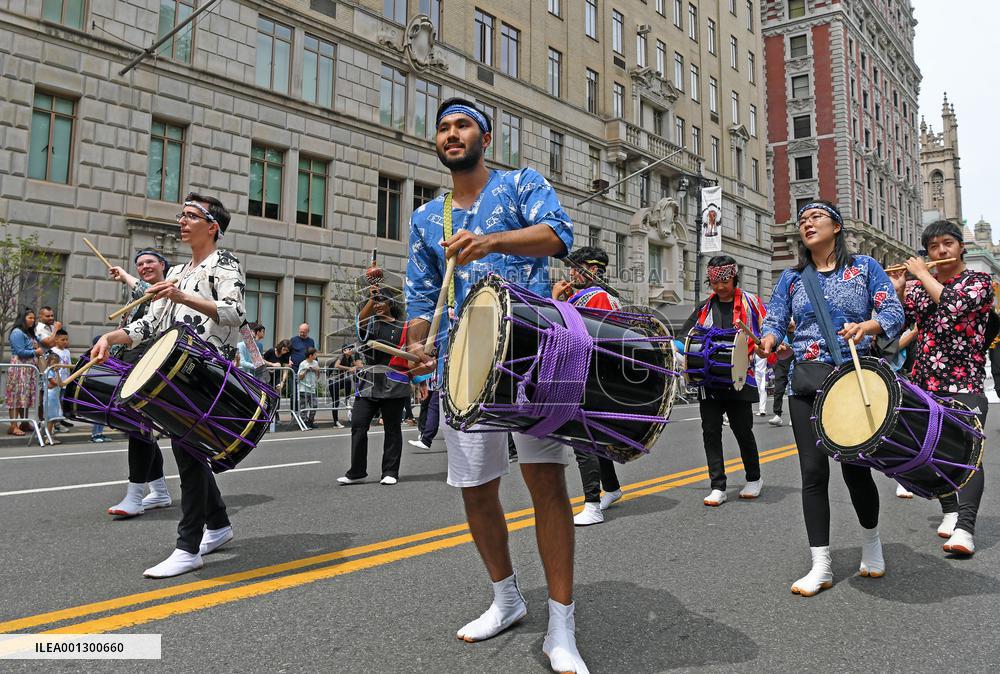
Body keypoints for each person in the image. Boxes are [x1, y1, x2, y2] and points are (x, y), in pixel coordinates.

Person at [405, 98, 586, 673]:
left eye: (462, 126)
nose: (452, 134)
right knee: (476, 487)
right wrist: (415, 345)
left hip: (534, 351)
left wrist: (493, 242)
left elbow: (559, 236)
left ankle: (562, 624)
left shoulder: (521, 184)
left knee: (546, 484)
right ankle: (506, 598)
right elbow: (420, 295)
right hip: (464, 361)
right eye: (443, 128)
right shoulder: (427, 218)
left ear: (487, 134)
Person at [91, 193, 245, 578]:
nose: (182, 220)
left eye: (191, 215)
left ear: (212, 226)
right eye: (182, 214)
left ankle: (188, 546)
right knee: (187, 451)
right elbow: (149, 325)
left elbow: (235, 313)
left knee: (188, 451)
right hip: (174, 371)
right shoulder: (175, 270)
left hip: (204, 369)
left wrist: (181, 296)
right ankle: (220, 524)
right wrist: (112, 336)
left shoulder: (223, 264)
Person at [759, 199, 904, 596]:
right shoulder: (791, 278)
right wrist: (769, 338)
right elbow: (774, 318)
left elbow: (893, 311)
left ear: (836, 227)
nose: (807, 223)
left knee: (856, 470)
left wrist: (868, 325)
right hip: (805, 384)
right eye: (802, 220)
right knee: (813, 473)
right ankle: (820, 564)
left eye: (816, 217)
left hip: (851, 380)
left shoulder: (864, 269)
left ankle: (872, 545)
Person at [888, 220, 992, 555]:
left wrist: (923, 275)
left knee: (967, 455)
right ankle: (949, 508)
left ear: (961, 246)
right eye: (933, 247)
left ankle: (966, 527)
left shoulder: (979, 282)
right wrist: (900, 290)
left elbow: (954, 306)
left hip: (966, 381)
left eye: (947, 244)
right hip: (925, 384)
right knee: (932, 453)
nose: (941, 251)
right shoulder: (920, 286)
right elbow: (898, 326)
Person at [680, 255, 767, 506]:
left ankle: (754, 478)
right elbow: (686, 337)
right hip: (710, 379)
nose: (720, 287)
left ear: (734, 278)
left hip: (740, 377)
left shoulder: (751, 302)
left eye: (725, 281)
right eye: (715, 282)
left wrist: (768, 345)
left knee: (742, 430)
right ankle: (718, 485)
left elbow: (769, 331)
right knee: (710, 431)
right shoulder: (704, 308)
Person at [551, 246, 624, 527]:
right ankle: (613, 488)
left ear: (591, 271)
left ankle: (592, 504)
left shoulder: (597, 298)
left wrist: (556, 301)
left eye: (574, 268)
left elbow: (574, 335)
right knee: (595, 440)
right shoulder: (592, 297)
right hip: (590, 375)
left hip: (590, 377)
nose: (570, 273)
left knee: (583, 441)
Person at [104, 248, 173, 517]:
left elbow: (147, 290)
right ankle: (159, 491)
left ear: (163, 265)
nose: (144, 266)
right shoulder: (144, 295)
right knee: (139, 428)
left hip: (153, 367)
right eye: (140, 264)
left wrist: (124, 275)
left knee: (139, 427)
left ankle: (135, 496)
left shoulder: (168, 290)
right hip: (131, 365)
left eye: (149, 262)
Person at [338, 288, 410, 486]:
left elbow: (412, 355)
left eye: (381, 301)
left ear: (391, 304)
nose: (377, 304)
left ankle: (390, 471)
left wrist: (421, 381)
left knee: (392, 428)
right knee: (358, 425)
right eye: (374, 301)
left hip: (394, 381)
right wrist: (371, 297)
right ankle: (357, 471)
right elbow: (359, 319)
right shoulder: (368, 324)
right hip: (369, 382)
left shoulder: (404, 327)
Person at [6, 308, 41, 436]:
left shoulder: (29, 333)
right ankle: (13, 425)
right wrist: (35, 352)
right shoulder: (17, 332)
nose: (32, 320)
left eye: (33, 318)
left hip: (29, 369)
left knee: (25, 396)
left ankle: (24, 422)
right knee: (15, 396)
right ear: (23, 318)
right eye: (29, 318)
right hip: (19, 368)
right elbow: (20, 351)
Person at [331, 345, 359, 428]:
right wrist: (349, 368)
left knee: (348, 381)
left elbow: (357, 366)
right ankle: (335, 422)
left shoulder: (350, 357)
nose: (351, 350)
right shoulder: (341, 356)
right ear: (344, 351)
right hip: (333, 381)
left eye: (351, 349)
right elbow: (336, 365)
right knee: (336, 402)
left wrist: (354, 368)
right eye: (349, 349)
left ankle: (347, 400)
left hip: (341, 380)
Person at [42, 351, 64, 445]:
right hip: (50, 397)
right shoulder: (49, 371)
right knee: (51, 418)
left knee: (54, 417)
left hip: (54, 397)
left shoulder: (54, 371)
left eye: (57, 362)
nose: (55, 364)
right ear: (49, 361)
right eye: (53, 362)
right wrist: (57, 373)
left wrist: (57, 373)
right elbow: (56, 383)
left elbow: (58, 384)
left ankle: (49, 435)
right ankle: (47, 437)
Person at [298, 347, 320, 429]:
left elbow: (318, 373)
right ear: (310, 355)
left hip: (312, 388)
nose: (316, 355)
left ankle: (311, 421)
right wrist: (306, 370)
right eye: (315, 354)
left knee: (314, 405)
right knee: (303, 407)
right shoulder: (303, 363)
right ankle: (304, 422)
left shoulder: (315, 362)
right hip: (303, 388)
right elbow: (299, 376)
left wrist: (315, 369)